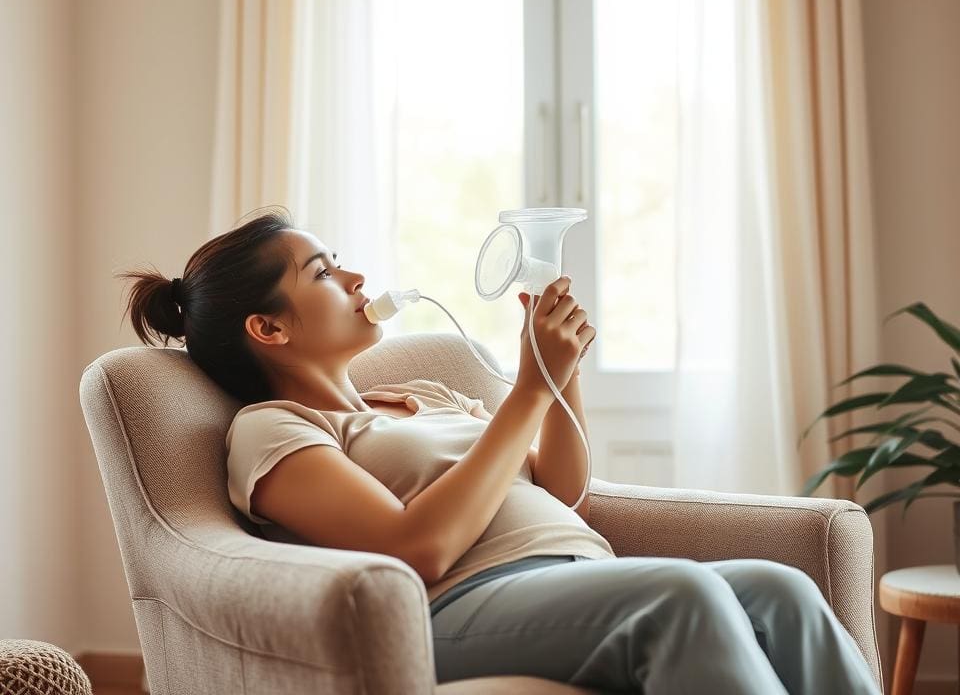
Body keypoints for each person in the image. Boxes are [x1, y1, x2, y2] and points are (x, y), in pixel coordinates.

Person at [118, 205, 880, 695]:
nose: (353, 276)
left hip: (573, 578)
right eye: (321, 271)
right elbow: (414, 548)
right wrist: (526, 395)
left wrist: (551, 373)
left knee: (778, 591)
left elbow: (565, 489)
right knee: (685, 597)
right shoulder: (276, 429)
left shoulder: (424, 397)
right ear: (269, 328)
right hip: (456, 611)